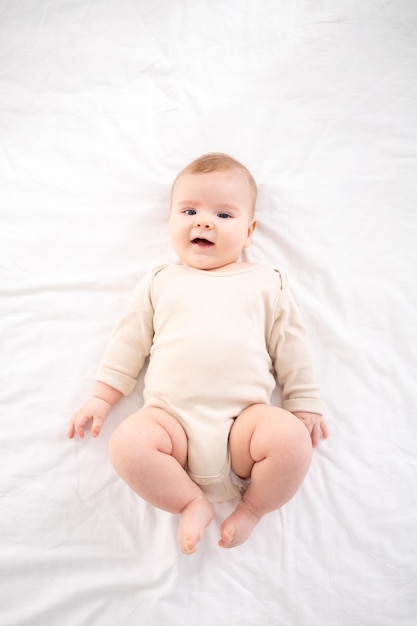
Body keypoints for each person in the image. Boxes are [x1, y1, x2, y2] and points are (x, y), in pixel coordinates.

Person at [68, 152, 328, 555]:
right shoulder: (161, 280)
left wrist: (304, 403)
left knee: (292, 441)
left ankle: (252, 509)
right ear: (171, 220)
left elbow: (291, 346)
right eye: (189, 210)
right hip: (170, 425)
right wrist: (103, 397)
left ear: (249, 230)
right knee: (126, 444)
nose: (204, 221)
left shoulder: (266, 282)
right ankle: (191, 502)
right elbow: (129, 341)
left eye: (224, 215)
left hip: (244, 424)